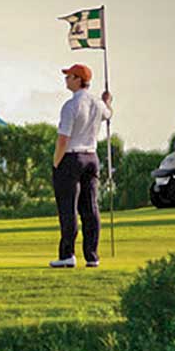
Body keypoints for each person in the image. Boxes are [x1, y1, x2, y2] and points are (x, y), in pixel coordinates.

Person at [50, 63, 112, 268]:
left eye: (69, 76)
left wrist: (56, 162)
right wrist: (107, 101)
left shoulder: (71, 106)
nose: (66, 79)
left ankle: (67, 255)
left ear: (78, 79)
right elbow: (109, 113)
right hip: (92, 158)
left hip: (71, 158)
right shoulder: (97, 103)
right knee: (90, 207)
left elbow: (63, 139)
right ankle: (92, 256)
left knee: (68, 208)